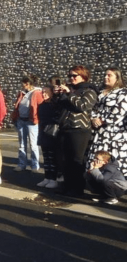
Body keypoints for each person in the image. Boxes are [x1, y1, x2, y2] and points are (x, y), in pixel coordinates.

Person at [54, 65, 98, 197]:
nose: (71, 78)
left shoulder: (89, 91)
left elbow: (83, 106)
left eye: (74, 76)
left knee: (77, 160)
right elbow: (58, 108)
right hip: (65, 128)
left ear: (83, 76)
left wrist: (69, 94)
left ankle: (77, 188)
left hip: (79, 129)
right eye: (70, 76)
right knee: (64, 159)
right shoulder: (70, 90)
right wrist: (57, 95)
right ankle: (67, 186)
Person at [86, 67, 127, 173]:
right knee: (96, 158)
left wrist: (102, 120)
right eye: (105, 75)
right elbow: (92, 108)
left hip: (113, 134)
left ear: (117, 78)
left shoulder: (122, 93)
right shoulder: (100, 92)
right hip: (98, 133)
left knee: (110, 160)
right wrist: (93, 118)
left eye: (109, 75)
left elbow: (120, 111)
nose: (106, 77)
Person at [10, 74, 43, 172]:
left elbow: (40, 106)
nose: (22, 85)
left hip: (31, 122)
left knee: (33, 144)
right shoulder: (22, 93)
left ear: (28, 84)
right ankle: (21, 164)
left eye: (24, 84)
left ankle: (35, 165)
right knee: (22, 144)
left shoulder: (37, 92)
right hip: (21, 120)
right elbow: (18, 104)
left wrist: (36, 118)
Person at [37, 86, 59, 189]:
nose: (44, 94)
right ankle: (47, 177)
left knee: (52, 157)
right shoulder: (41, 105)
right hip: (43, 132)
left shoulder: (55, 105)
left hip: (52, 133)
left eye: (46, 92)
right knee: (46, 157)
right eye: (43, 92)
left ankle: (53, 179)